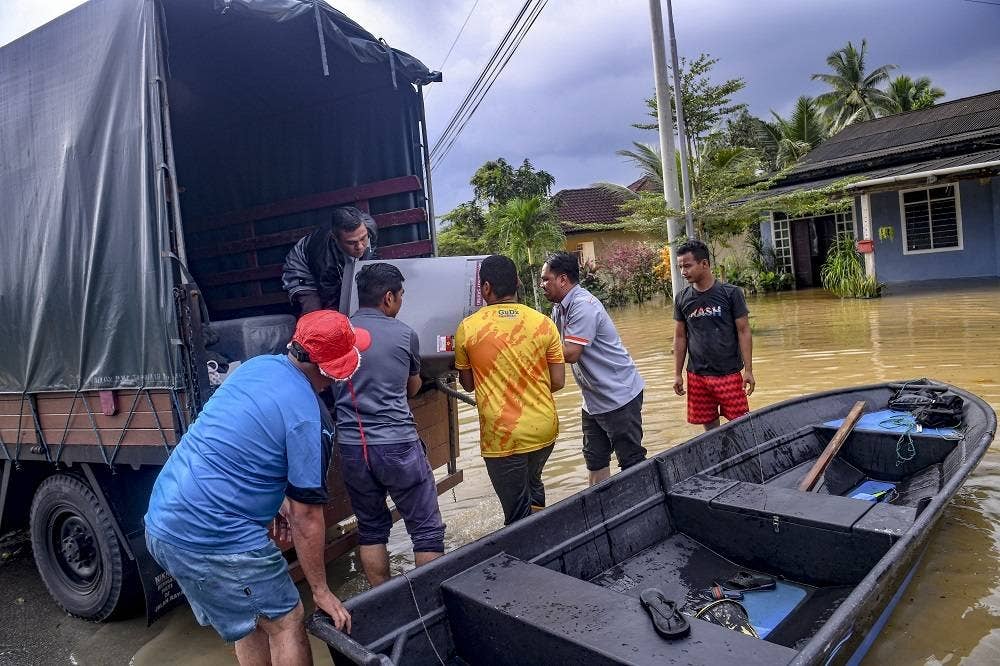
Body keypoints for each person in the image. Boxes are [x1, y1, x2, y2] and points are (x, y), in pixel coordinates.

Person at [144, 310, 368, 663]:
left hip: (163, 521)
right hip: (212, 535)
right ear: (327, 369)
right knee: (287, 620)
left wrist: (274, 502)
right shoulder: (309, 416)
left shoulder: (257, 366)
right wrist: (321, 591)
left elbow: (242, 441)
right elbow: (306, 513)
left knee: (251, 620)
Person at [335, 263, 446, 587]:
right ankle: (429, 603)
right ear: (388, 298)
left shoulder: (339, 334)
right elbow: (412, 387)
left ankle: (381, 601)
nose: (400, 303)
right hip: (397, 444)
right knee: (426, 532)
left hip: (354, 449)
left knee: (371, 529)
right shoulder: (404, 334)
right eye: (400, 296)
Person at [454, 255, 565, 525]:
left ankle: (528, 560)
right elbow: (558, 382)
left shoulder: (468, 329)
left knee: (516, 515)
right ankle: (545, 539)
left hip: (503, 437)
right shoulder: (543, 323)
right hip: (543, 429)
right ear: (516, 283)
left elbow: (468, 384)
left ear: (486, 288)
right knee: (532, 484)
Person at [541, 251, 646, 487]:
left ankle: (643, 509)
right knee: (595, 461)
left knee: (632, 461)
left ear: (563, 280)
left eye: (546, 279)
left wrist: (529, 352)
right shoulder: (559, 308)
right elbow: (553, 345)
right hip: (593, 400)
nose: (542, 285)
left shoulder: (583, 305)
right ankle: (602, 513)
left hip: (619, 396)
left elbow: (569, 353)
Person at [672, 239, 754, 431]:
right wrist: (677, 374)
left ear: (705, 264)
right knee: (709, 429)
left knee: (741, 425)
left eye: (688, 266)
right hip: (697, 375)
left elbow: (744, 331)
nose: (683, 272)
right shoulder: (682, 298)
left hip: (729, 374)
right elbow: (680, 337)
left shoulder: (731, 294)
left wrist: (748, 370)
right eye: (680, 267)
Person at [282, 205, 378, 314]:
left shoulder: (370, 228)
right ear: (335, 238)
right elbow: (329, 299)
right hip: (303, 270)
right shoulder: (323, 257)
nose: (360, 246)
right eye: (351, 242)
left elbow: (370, 258)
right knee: (316, 315)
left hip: (336, 263)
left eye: (363, 238)